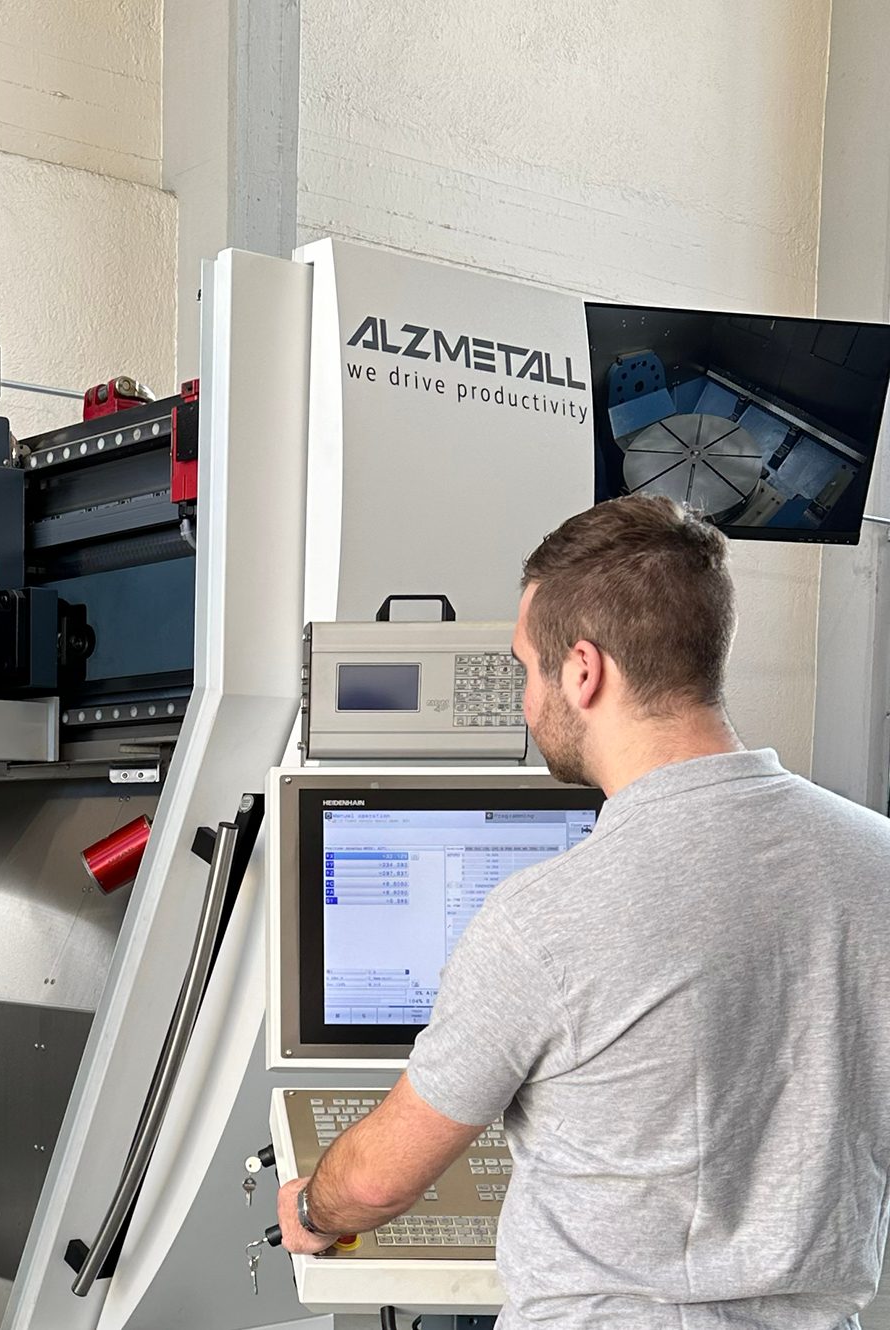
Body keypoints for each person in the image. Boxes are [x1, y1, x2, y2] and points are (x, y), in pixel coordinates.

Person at [276, 495, 890, 1328]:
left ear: (583, 671)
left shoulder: (542, 918)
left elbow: (379, 1183)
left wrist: (311, 1208)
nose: (529, 701)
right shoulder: (878, 860)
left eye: (528, 669)